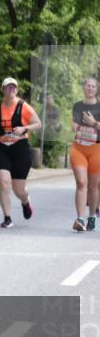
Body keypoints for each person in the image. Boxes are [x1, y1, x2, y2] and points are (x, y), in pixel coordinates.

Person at [0, 78, 42, 228]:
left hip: (20, 149)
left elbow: (38, 124)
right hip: (2, 148)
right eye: (8, 87)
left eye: (14, 87)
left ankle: (25, 201)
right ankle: (7, 218)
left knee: (19, 190)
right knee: (3, 183)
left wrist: (25, 128)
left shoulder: (23, 106)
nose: (11, 89)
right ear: (3, 90)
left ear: (16, 90)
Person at [70, 76, 100, 231]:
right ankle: (80, 219)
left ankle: (92, 216)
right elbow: (74, 123)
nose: (90, 88)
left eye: (93, 86)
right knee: (82, 182)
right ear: (84, 88)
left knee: (93, 186)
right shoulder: (77, 106)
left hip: (97, 149)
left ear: (97, 89)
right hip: (79, 148)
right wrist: (75, 126)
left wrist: (93, 123)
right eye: (88, 85)